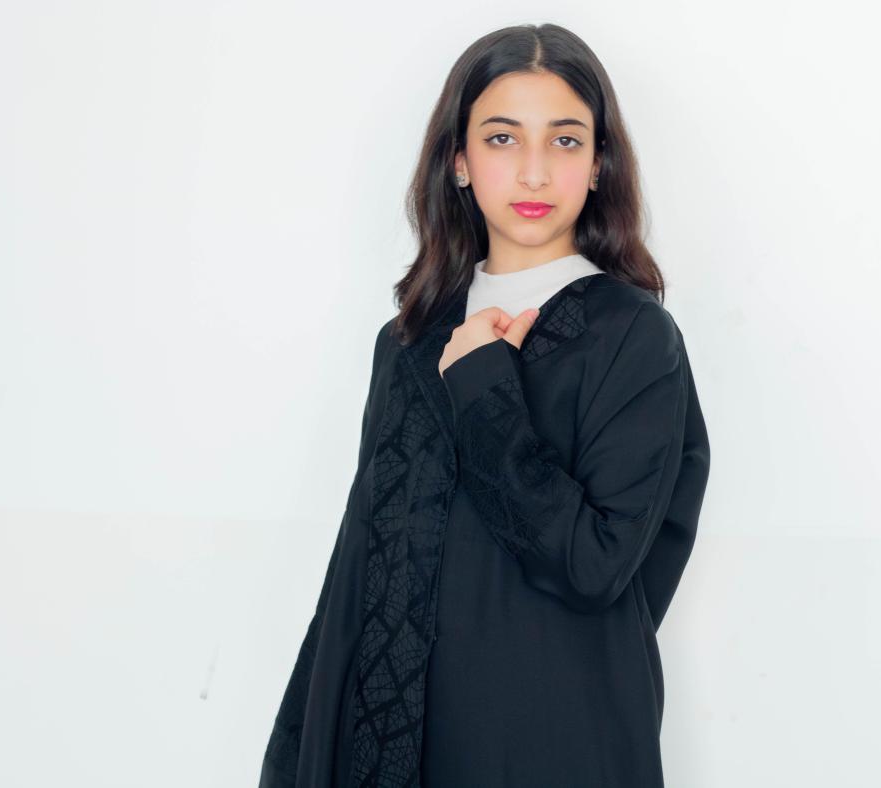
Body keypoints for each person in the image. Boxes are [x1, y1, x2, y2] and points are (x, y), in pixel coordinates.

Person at [259, 22, 711, 788]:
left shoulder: (632, 338)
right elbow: (358, 572)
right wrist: (300, 755)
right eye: (503, 138)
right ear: (460, 162)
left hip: (549, 745)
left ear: (599, 164)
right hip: (388, 752)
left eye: (564, 140)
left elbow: (595, 570)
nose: (534, 171)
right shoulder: (408, 342)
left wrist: (483, 390)